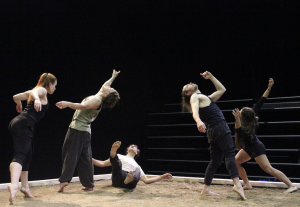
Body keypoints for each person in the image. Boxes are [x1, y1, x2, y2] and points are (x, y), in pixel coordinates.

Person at [181, 71, 246, 200]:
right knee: (229, 154)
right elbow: (194, 112)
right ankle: (238, 185)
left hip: (213, 130)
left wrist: (211, 77)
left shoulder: (206, 98)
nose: (189, 83)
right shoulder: (195, 96)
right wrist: (198, 121)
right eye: (186, 86)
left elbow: (222, 89)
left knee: (215, 161)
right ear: (189, 93)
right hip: (219, 127)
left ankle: (205, 189)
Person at [56, 69, 120, 192]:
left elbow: (83, 106)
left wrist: (67, 104)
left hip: (77, 130)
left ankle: (64, 180)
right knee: (85, 157)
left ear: (106, 95)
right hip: (85, 131)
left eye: (109, 89)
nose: (107, 87)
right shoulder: (100, 95)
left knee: (70, 153)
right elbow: (106, 85)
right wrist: (113, 77)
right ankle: (89, 184)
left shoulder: (97, 100)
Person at [232, 78, 297, 194]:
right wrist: (269, 88)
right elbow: (261, 100)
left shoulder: (244, 127)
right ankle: (247, 184)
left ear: (243, 117)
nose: (240, 112)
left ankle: (291, 185)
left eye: (240, 113)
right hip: (248, 148)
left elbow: (237, 129)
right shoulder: (250, 115)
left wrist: (236, 118)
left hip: (256, 147)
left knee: (268, 169)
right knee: (235, 161)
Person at [8, 73, 57, 204]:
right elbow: (37, 91)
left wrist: (18, 102)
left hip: (18, 123)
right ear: (50, 84)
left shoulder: (32, 92)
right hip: (24, 124)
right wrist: (35, 99)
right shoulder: (42, 90)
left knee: (28, 155)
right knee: (20, 155)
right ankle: (14, 185)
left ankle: (25, 187)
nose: (55, 89)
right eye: (55, 86)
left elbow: (15, 97)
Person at [92, 141, 172, 189]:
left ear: (136, 152)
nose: (133, 146)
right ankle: (113, 153)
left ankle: (129, 179)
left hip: (129, 184)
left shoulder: (137, 165)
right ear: (127, 150)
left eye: (135, 147)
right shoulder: (120, 156)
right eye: (132, 146)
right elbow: (102, 163)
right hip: (118, 178)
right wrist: (89, 159)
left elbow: (146, 180)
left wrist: (162, 177)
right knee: (117, 163)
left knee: (136, 171)